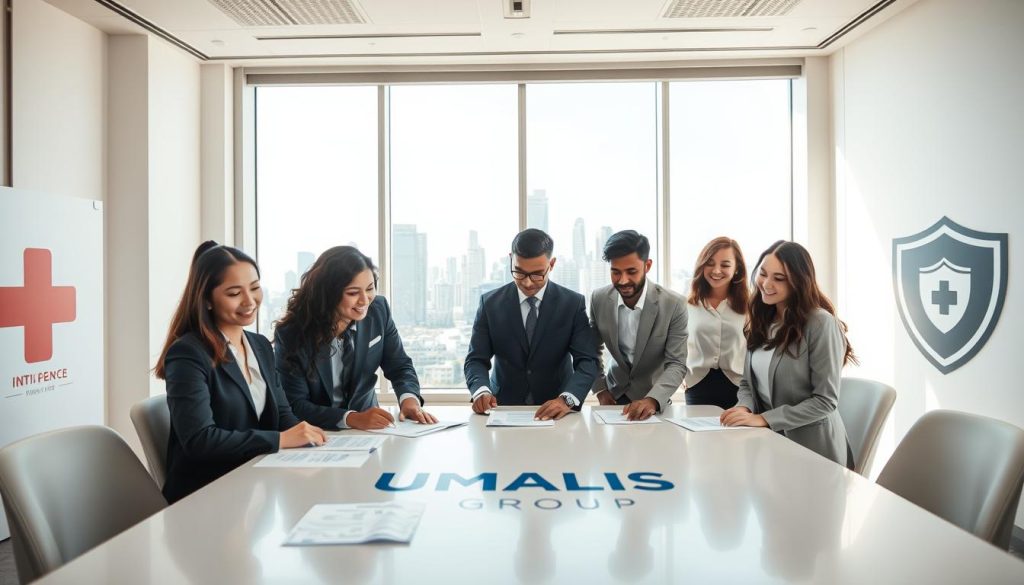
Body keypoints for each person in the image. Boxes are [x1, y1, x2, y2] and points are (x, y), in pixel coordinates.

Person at [155, 241, 326, 504]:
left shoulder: (259, 345)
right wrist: (281, 440)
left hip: (254, 486)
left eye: (255, 288)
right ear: (207, 300)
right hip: (205, 496)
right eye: (234, 293)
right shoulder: (188, 353)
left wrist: (316, 444)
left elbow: (281, 414)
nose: (250, 301)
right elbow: (200, 440)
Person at [720, 240, 856, 467]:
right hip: (769, 444)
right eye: (763, 274)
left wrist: (763, 419)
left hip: (813, 451)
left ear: (799, 283)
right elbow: (747, 383)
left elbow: (825, 401)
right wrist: (743, 408)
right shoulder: (762, 320)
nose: (766, 284)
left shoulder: (820, 323)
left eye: (779, 278)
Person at [274, 246, 435, 431]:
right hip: (317, 432)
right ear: (328, 293)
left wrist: (409, 400)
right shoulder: (292, 334)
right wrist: (351, 419)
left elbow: (399, 365)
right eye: (353, 293)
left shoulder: (378, 310)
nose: (365, 300)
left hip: (370, 432)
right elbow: (295, 404)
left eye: (369, 288)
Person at [465, 228, 598, 420]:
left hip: (558, 411)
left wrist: (566, 400)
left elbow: (587, 361)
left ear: (551, 265)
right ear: (511, 259)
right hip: (502, 408)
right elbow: (476, 359)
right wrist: (480, 391)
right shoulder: (490, 304)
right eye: (519, 272)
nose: (527, 283)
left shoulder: (572, 304)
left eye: (537, 274)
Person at [589, 230, 688, 420]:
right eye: (615, 272)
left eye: (631, 271)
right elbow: (591, 351)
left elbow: (676, 363)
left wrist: (652, 400)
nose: (623, 280)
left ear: (647, 265)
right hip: (612, 396)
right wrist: (600, 390)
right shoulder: (598, 299)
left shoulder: (674, 304)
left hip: (654, 399)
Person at [685, 237, 749, 410]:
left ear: (737, 269)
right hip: (697, 386)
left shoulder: (749, 306)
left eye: (725, 265)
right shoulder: (688, 305)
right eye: (710, 263)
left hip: (738, 388)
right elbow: (677, 346)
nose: (716, 270)